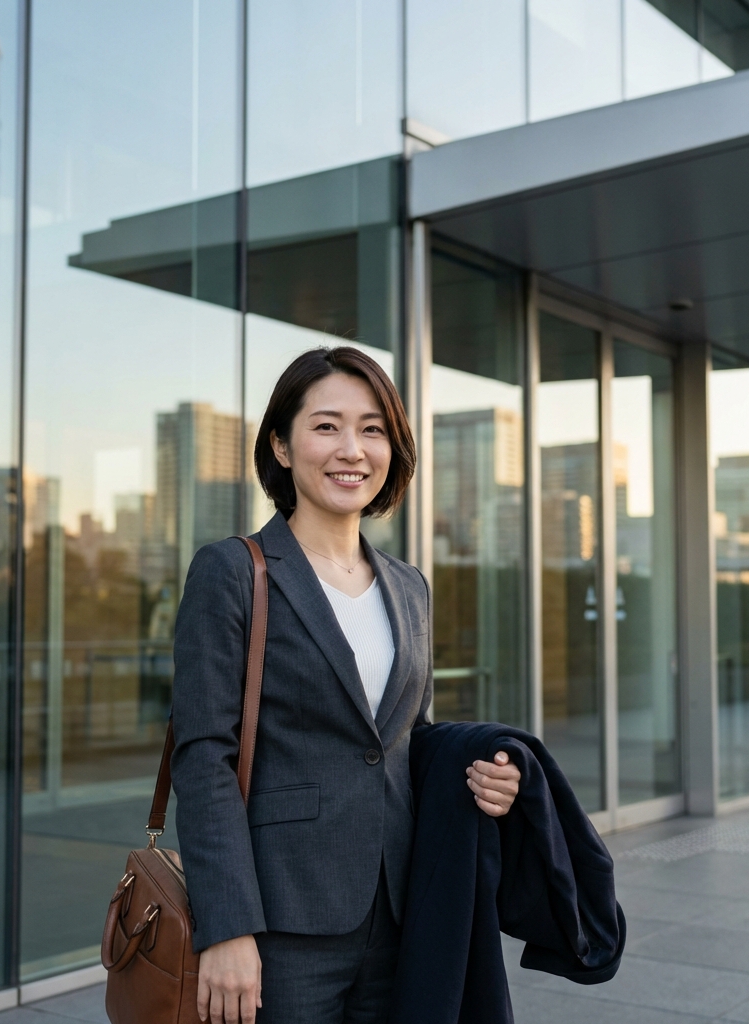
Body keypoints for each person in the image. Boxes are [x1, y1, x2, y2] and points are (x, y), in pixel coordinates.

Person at [170, 346, 521, 1024]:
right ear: (281, 442)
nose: (351, 449)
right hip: (280, 919)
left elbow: (405, 740)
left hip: (400, 911)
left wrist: (484, 775)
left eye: (372, 429)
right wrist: (227, 926)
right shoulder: (233, 572)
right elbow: (203, 755)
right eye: (326, 426)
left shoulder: (408, 585)